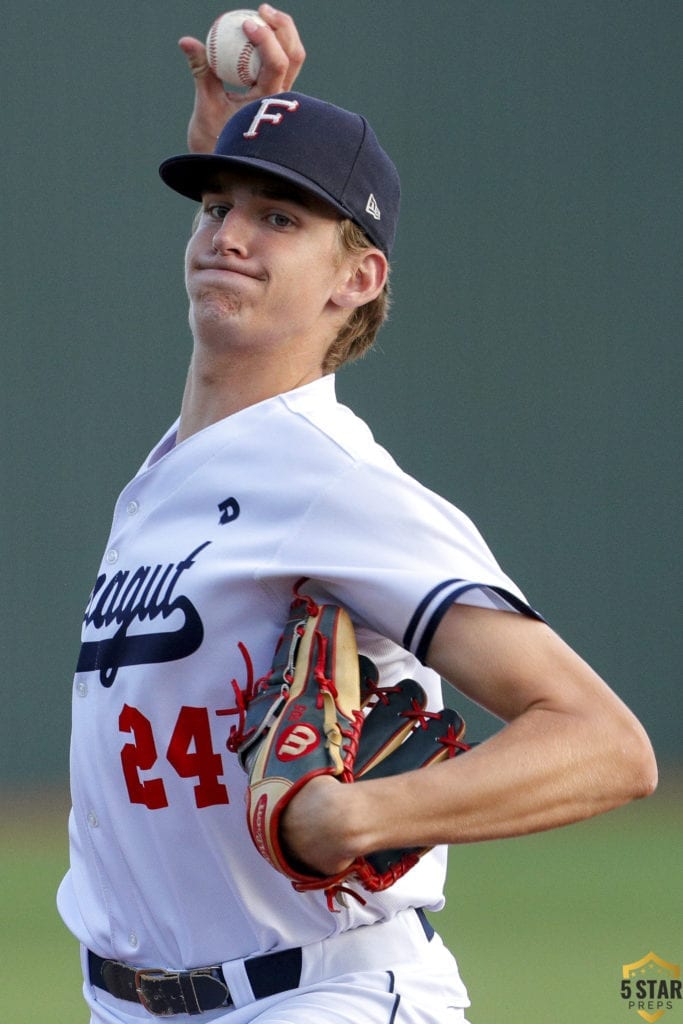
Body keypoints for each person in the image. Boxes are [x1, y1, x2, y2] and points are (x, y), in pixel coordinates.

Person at [58, 7, 657, 1023]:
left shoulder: (330, 480)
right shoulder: (170, 472)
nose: (231, 236)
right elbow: (242, 251)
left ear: (358, 277)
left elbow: (607, 745)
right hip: (133, 1003)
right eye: (217, 209)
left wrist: (364, 810)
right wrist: (241, 141)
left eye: (280, 220)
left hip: (316, 996)